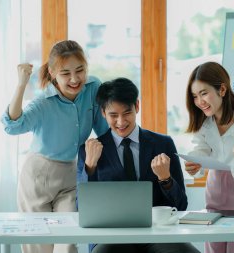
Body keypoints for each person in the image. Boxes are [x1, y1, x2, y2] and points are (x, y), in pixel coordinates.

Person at [1, 40, 108, 253]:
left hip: (70, 174)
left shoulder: (93, 88)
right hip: (37, 177)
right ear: (52, 73)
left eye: (80, 70)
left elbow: (104, 130)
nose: (75, 79)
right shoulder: (43, 103)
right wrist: (22, 83)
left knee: (67, 243)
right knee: (38, 246)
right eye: (66, 73)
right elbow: (12, 125)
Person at [77, 77, 200, 253]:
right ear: (103, 113)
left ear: (137, 106)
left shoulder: (162, 144)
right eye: (113, 115)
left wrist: (165, 178)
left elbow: (181, 206)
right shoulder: (89, 150)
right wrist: (90, 166)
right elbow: (82, 209)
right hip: (112, 237)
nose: (121, 122)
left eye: (127, 113)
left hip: (158, 233)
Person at [184, 61, 234, 253]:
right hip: (215, 195)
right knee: (214, 248)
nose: (199, 101)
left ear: (222, 89)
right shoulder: (204, 121)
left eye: (203, 93)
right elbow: (200, 150)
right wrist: (195, 164)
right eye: (195, 96)